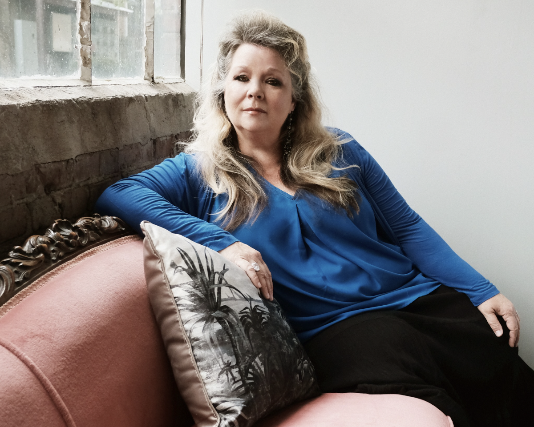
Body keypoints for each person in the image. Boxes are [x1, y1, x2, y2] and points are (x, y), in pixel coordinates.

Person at [95, 10, 534, 427]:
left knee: (500, 362)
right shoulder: (197, 172)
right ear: (222, 90)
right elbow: (119, 194)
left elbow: (407, 227)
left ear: (294, 99)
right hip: (338, 330)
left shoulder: (341, 151)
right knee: (435, 398)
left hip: (418, 298)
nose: (255, 91)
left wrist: (479, 288)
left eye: (273, 81)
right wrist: (222, 241)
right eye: (242, 77)